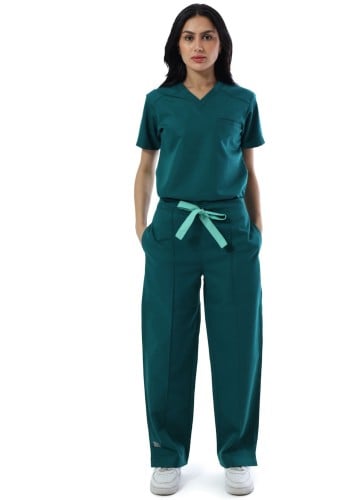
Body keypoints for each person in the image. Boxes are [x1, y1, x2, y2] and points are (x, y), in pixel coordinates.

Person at [134, 3, 265, 496]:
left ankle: (238, 453)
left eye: (208, 36)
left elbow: (249, 168)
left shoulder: (242, 100)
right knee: (165, 344)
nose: (198, 45)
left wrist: (257, 228)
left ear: (221, 44)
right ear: (177, 44)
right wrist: (142, 229)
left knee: (238, 344)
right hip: (173, 230)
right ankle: (167, 453)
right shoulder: (159, 101)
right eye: (189, 37)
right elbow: (146, 168)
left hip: (231, 232)